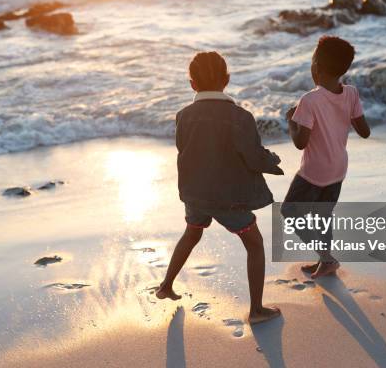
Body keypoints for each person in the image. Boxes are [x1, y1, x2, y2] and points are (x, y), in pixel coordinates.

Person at [156, 51, 283, 325]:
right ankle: (257, 310)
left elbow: (183, 149)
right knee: (255, 243)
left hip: (196, 194)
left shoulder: (183, 115)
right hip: (230, 198)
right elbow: (253, 156)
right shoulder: (241, 117)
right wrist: (271, 161)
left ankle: (166, 285)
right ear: (227, 80)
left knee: (191, 234)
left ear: (192, 84)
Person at [284, 36, 371, 278]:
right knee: (323, 216)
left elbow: (300, 142)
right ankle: (326, 260)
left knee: (290, 213)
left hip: (314, 172)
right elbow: (364, 131)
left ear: (316, 68)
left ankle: (326, 257)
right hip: (338, 168)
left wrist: (291, 121)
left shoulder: (309, 100)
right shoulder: (351, 93)